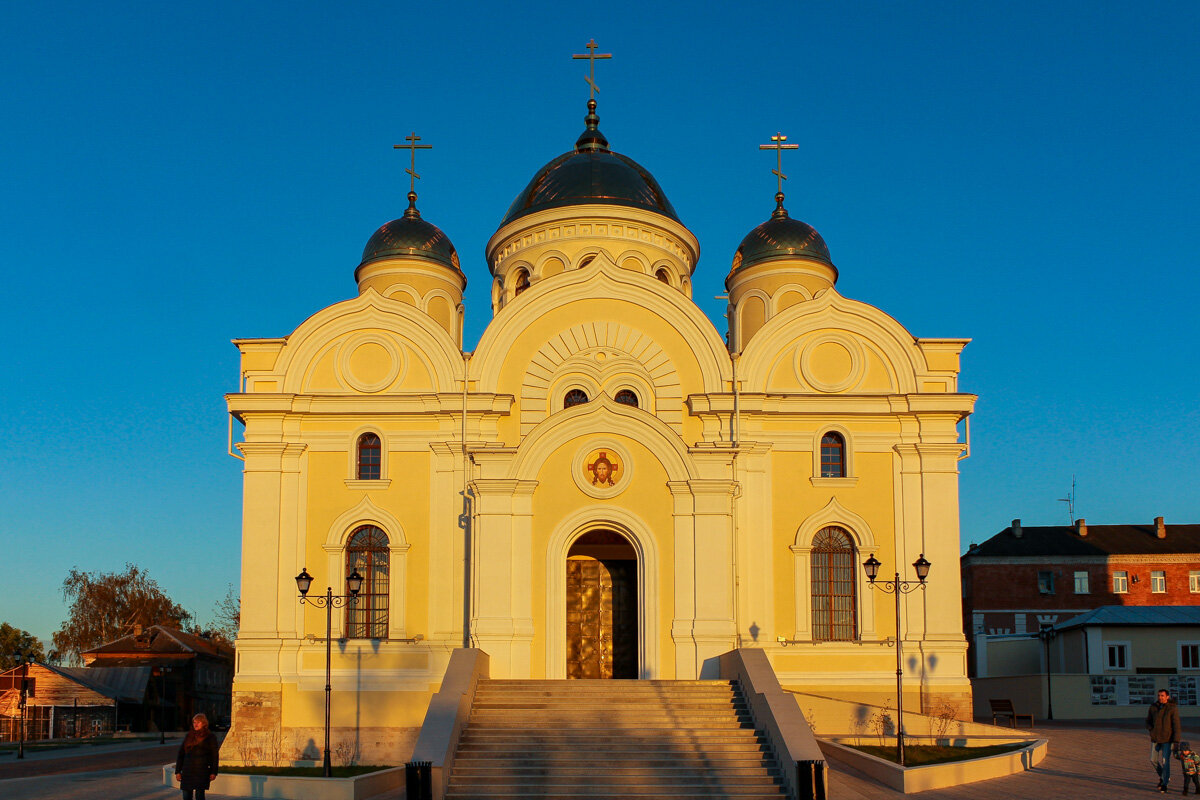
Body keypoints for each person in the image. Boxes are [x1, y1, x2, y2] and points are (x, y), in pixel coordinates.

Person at [175, 712, 220, 800]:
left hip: (201, 771)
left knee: (199, 796)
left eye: (198, 722)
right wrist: (178, 771)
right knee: (186, 796)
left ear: (204, 723)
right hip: (187, 771)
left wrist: (214, 772)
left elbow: (215, 756)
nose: (195, 724)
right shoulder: (189, 736)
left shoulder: (210, 737)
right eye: (194, 722)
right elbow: (181, 754)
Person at [1147, 688, 1182, 793]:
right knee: (1153, 760)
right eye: (1159, 695)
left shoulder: (1172, 708)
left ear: (1167, 696)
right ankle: (1164, 776)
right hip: (1155, 738)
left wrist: (1176, 741)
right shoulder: (1153, 707)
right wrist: (1151, 729)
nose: (1160, 697)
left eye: (1162, 695)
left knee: (1165, 762)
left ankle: (1164, 784)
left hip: (1167, 739)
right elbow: (1148, 720)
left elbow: (1176, 725)